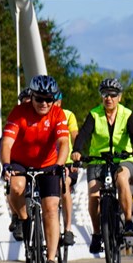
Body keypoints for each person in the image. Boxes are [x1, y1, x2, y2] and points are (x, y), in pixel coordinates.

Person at [0, 74, 69, 263]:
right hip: (21, 161)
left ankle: (51, 259)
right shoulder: (19, 112)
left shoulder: (57, 113)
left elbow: (63, 142)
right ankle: (23, 218)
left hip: (49, 164)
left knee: (51, 209)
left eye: (49, 99)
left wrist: (59, 165)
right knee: (16, 188)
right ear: (32, 96)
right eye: (39, 99)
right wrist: (6, 165)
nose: (44, 103)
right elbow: (7, 143)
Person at [72, 77, 133, 253]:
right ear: (101, 97)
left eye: (113, 95)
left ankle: (128, 221)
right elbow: (83, 134)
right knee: (93, 195)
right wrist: (76, 150)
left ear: (119, 97)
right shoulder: (94, 114)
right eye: (105, 94)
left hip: (122, 159)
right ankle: (97, 234)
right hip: (98, 160)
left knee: (121, 178)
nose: (109, 98)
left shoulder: (126, 114)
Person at [60, 92, 80, 248]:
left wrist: (77, 152)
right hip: (49, 162)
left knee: (64, 186)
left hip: (67, 162)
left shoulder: (68, 115)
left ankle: (67, 229)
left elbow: (74, 135)